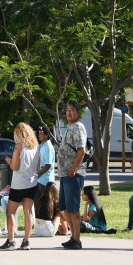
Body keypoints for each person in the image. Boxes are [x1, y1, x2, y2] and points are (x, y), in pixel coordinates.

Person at [0, 122, 39, 250]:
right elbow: (38, 166)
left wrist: (9, 160)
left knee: (10, 211)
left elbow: (15, 167)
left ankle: (10, 241)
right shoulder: (36, 147)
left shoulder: (18, 147)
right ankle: (26, 241)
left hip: (19, 184)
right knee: (28, 212)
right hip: (32, 183)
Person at [56, 100, 87, 250]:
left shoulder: (78, 127)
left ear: (78, 112)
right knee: (64, 207)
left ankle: (77, 239)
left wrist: (73, 169)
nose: (69, 112)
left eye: (72, 110)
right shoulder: (69, 127)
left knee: (73, 209)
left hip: (73, 174)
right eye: (67, 110)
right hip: (64, 174)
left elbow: (81, 151)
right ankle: (73, 236)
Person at [34, 124, 55, 193]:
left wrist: (38, 174)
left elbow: (48, 165)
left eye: (41, 134)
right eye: (39, 134)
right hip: (40, 180)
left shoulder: (48, 147)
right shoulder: (42, 146)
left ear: (46, 135)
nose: (39, 135)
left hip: (46, 181)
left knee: (43, 203)